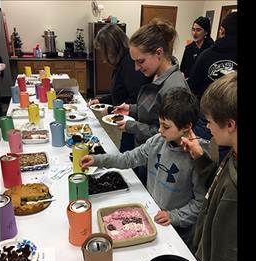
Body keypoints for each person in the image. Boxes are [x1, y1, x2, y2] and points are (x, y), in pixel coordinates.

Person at [81, 88, 213, 244]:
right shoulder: (157, 142)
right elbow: (128, 158)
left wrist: (174, 216)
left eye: (166, 126)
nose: (159, 130)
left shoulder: (198, 157)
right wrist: (98, 160)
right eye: (159, 124)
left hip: (177, 231)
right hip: (152, 213)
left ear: (186, 126)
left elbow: (201, 204)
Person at [181, 71, 237, 261]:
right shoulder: (233, 155)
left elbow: (227, 256)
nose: (208, 128)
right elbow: (217, 185)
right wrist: (200, 158)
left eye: (210, 121)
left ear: (231, 124)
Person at [111, 18, 190, 186]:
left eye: (140, 61)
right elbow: (153, 111)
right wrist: (131, 109)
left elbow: (166, 134)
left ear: (159, 53)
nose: (136, 68)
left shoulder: (174, 88)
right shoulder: (156, 74)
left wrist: (131, 126)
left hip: (160, 161)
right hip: (147, 151)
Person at [87, 24, 152, 153]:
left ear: (110, 47)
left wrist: (112, 109)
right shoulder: (122, 61)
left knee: (129, 162)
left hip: (136, 124)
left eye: (102, 50)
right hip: (128, 121)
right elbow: (120, 92)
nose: (102, 56)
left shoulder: (129, 63)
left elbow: (136, 99)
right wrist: (101, 101)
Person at [187, 11, 237, 163]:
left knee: (199, 155)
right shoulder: (196, 50)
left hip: (209, 115)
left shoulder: (207, 54)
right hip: (231, 119)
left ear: (222, 30)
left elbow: (192, 86)